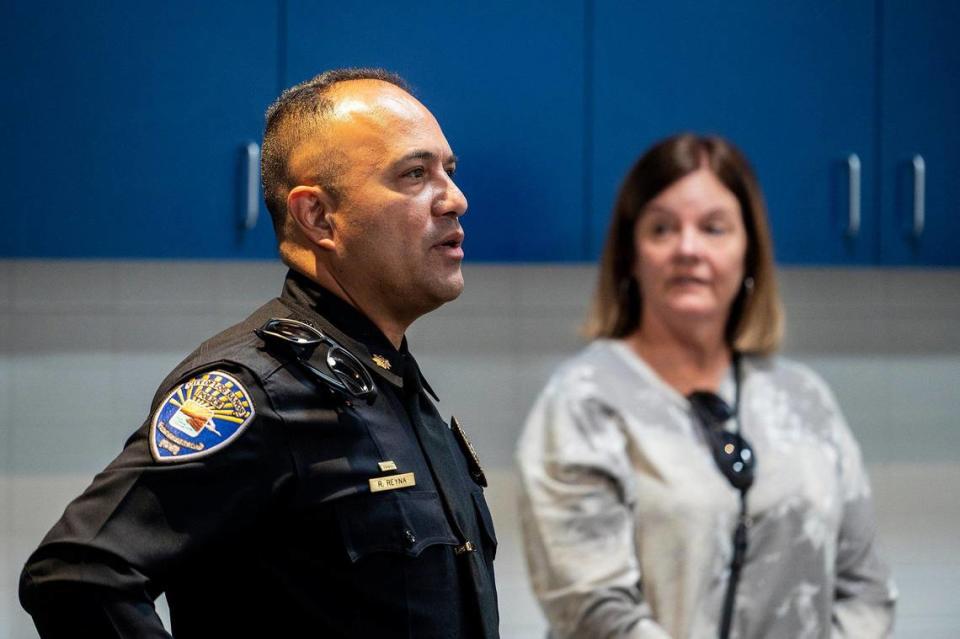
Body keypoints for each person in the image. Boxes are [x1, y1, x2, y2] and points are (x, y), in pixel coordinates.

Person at [20, 68, 499, 639]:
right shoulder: (258, 389)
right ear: (318, 216)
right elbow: (77, 574)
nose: (456, 199)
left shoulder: (391, 384)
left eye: (450, 171)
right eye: (415, 174)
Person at [516, 134, 895, 638]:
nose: (688, 249)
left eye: (714, 228)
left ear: (749, 254)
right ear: (630, 255)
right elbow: (594, 611)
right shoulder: (583, 404)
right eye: (662, 229)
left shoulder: (804, 400)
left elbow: (865, 589)